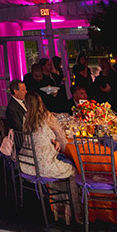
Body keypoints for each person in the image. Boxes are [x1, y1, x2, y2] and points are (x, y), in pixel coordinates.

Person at [18, 91, 76, 222]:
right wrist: (60, 145)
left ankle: (57, 209)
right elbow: (62, 138)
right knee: (73, 170)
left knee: (59, 163)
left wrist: (53, 140)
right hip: (45, 167)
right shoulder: (48, 116)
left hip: (28, 165)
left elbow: (37, 136)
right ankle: (74, 213)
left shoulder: (26, 117)